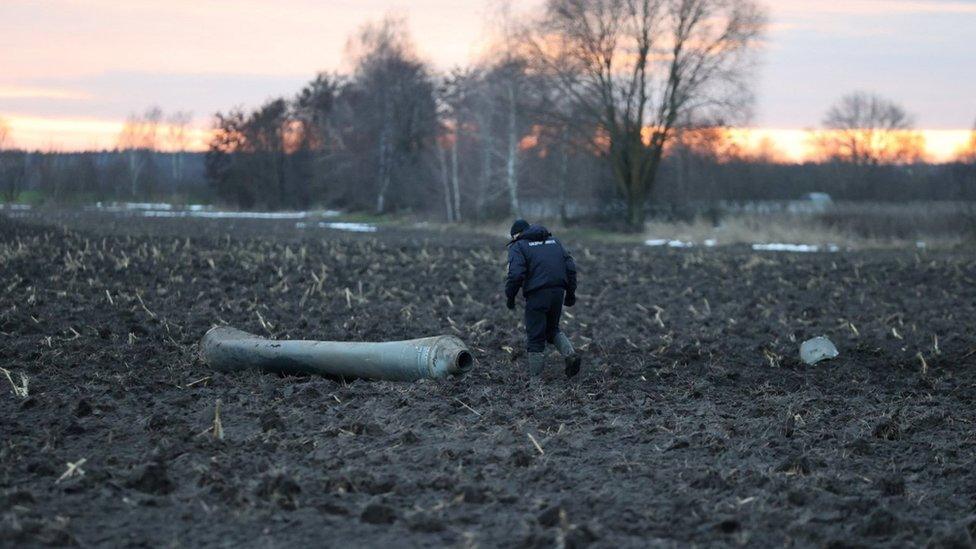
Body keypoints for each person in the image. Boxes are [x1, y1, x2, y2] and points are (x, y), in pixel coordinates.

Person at [505, 219, 581, 378]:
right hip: (558, 292)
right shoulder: (555, 242)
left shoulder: (518, 246)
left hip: (537, 294)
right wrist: (570, 294)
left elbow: (515, 274)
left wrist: (510, 297)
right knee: (552, 329)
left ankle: (535, 383)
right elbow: (570, 268)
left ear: (517, 235)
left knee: (535, 336)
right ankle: (570, 353)